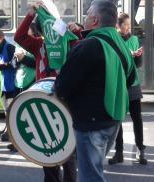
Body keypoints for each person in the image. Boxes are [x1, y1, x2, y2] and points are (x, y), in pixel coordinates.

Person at [55, 1, 136, 181]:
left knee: (90, 176)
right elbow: (130, 79)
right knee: (94, 172)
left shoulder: (87, 46)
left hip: (91, 124)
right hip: (114, 120)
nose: (85, 16)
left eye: (88, 13)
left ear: (94, 19)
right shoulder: (122, 44)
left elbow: (62, 87)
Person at [14, 1, 78, 182]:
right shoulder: (38, 46)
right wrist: (31, 14)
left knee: (68, 151)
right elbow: (19, 36)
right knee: (48, 148)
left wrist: (75, 29)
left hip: (65, 100)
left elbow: (79, 44)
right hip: (44, 100)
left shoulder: (68, 42)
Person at [108, 12, 147, 165]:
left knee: (137, 118)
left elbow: (138, 65)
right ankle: (119, 152)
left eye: (130, 25)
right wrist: (128, 54)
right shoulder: (113, 40)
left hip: (133, 84)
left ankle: (140, 149)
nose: (129, 28)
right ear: (118, 26)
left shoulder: (134, 39)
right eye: (126, 25)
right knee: (118, 119)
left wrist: (137, 56)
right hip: (118, 83)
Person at [0, 28, 16, 143]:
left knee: (10, 109)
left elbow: (12, 65)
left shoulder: (9, 47)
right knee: (6, 109)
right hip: (4, 82)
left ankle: (11, 132)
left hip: (10, 83)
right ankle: (8, 128)